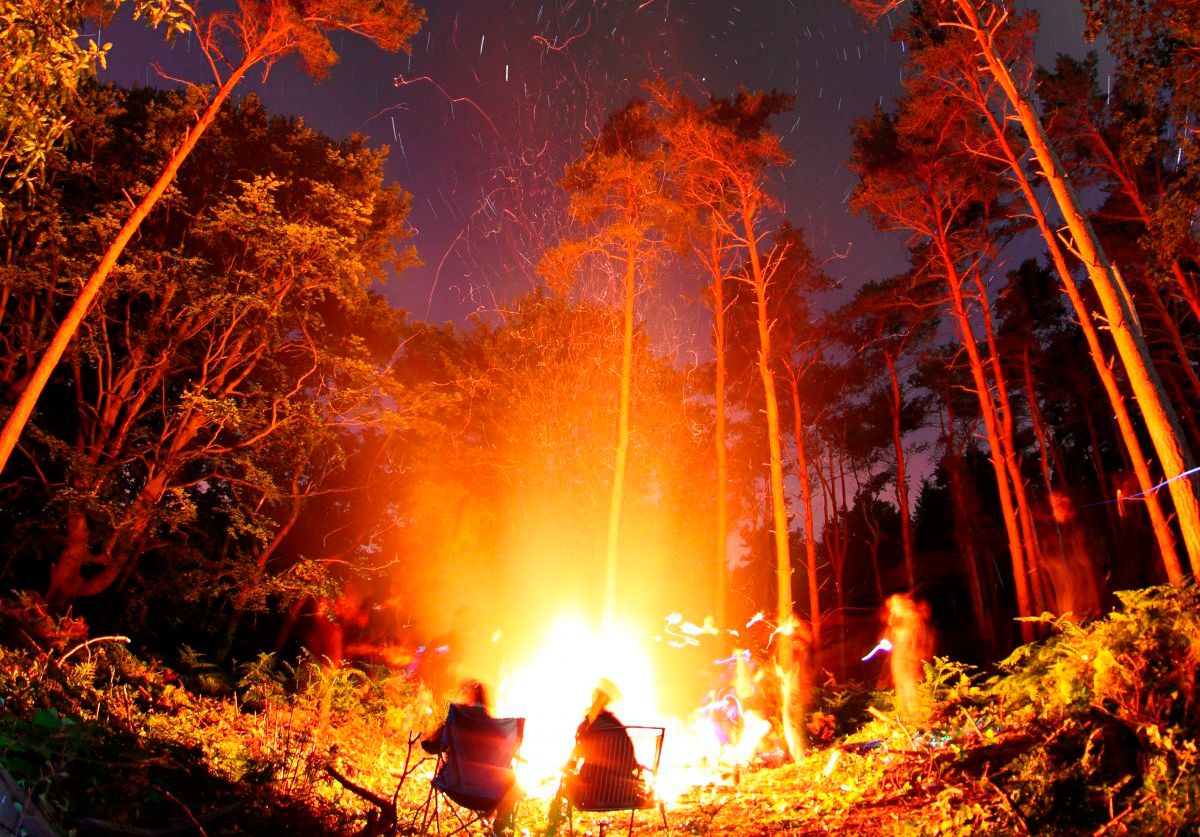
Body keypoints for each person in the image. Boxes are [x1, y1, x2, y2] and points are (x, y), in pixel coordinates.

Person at [422, 680, 520, 835]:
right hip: (492, 798)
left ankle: (499, 822)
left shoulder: (456, 722)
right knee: (512, 777)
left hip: (455, 788)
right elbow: (513, 749)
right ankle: (501, 823)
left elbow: (432, 747)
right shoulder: (498, 731)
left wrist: (434, 739)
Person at [544, 678, 641, 836]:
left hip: (594, 793)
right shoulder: (618, 728)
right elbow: (632, 764)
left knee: (566, 779)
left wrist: (569, 766)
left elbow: (575, 759)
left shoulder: (591, 729)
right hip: (623, 793)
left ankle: (554, 820)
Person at [883, 593, 934, 724]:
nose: (893, 610)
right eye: (891, 608)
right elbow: (892, 637)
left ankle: (918, 722)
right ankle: (907, 723)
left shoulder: (913, 618)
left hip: (908, 662)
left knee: (911, 693)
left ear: (902, 604)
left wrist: (914, 659)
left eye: (895, 606)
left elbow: (914, 640)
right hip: (899, 662)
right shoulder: (899, 620)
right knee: (902, 693)